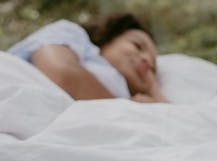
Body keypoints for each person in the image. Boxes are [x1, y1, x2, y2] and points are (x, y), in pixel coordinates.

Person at [7, 12, 168, 102]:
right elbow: (62, 72)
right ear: (108, 37)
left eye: (152, 68)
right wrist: (132, 108)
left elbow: (177, 119)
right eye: (137, 46)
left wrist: (154, 94)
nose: (146, 59)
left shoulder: (131, 97)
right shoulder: (71, 33)